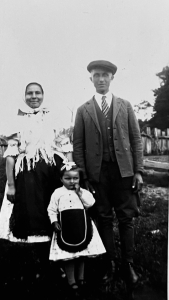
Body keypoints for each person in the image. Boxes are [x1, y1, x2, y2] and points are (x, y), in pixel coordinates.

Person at [73, 60, 144, 287]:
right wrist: (85, 177)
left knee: (126, 218)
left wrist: (138, 171)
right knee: (103, 218)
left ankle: (128, 264)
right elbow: (78, 145)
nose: (101, 79)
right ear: (90, 79)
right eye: (96, 75)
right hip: (98, 175)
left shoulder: (125, 105)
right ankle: (110, 264)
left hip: (123, 172)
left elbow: (136, 139)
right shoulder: (83, 110)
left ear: (112, 78)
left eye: (105, 75)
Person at [0, 82, 71, 282]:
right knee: (36, 219)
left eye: (37, 93)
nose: (34, 96)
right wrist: (11, 185)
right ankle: (44, 264)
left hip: (52, 173)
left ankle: (61, 262)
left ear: (43, 95)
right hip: (28, 176)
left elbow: (65, 148)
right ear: (24, 96)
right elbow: (11, 156)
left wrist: (71, 171)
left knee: (58, 215)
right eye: (30, 93)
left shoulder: (53, 118)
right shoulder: (17, 120)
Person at [47, 162, 105, 297]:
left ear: (79, 179)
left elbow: (91, 203)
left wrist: (80, 193)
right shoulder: (57, 193)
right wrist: (54, 221)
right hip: (66, 228)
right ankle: (71, 281)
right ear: (61, 179)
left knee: (81, 254)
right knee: (69, 256)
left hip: (81, 226)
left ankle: (81, 278)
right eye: (67, 178)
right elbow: (51, 209)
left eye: (75, 178)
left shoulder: (83, 192)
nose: (72, 181)